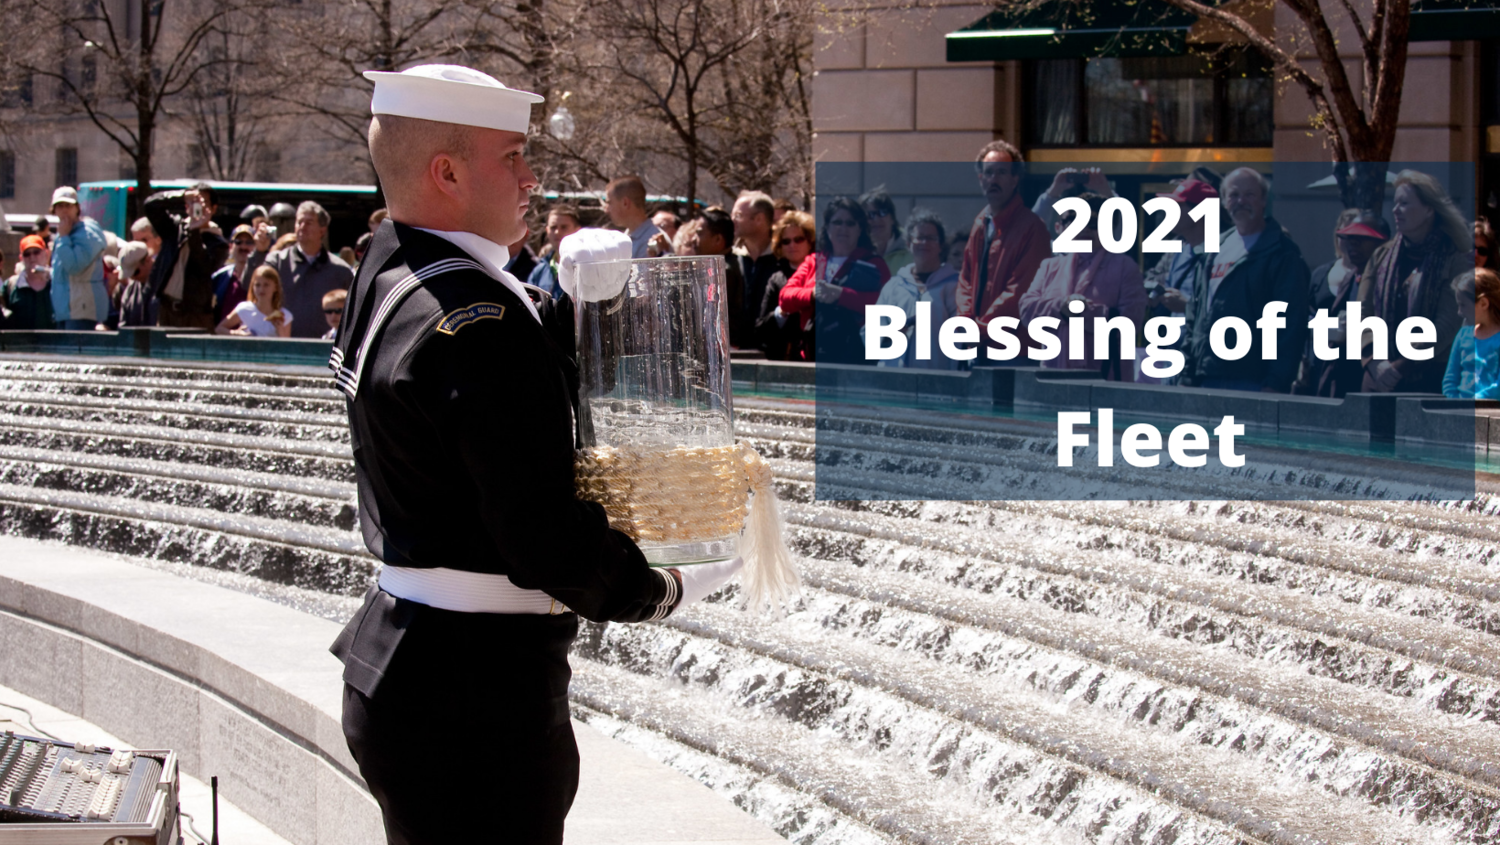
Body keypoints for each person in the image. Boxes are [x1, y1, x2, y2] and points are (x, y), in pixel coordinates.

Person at [328, 64, 738, 845]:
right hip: (474, 700)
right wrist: (659, 589)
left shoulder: (394, 266)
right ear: (445, 172)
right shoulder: (480, 323)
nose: (531, 175)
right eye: (511, 155)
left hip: (419, 662)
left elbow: (468, 383)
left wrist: (579, 308)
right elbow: (541, 531)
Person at [1183, 167, 1309, 392]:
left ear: (1263, 201)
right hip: (1206, 377)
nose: (1241, 201)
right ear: (1223, 201)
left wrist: (1276, 381)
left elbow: (1292, 324)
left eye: (1249, 194)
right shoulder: (1212, 249)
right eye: (1233, 195)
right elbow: (1194, 315)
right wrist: (1187, 373)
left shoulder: (1282, 252)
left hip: (1253, 381)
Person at [1356, 170, 1473, 393]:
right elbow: (1361, 313)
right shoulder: (1381, 256)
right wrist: (1373, 361)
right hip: (1377, 377)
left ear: (1429, 209)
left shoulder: (1454, 258)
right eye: (1395, 203)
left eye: (1404, 203)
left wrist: (1400, 366)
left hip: (1427, 377)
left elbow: (1448, 324)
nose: (1395, 210)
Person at [1019, 193, 1148, 379]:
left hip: (1106, 377)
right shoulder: (1049, 266)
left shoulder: (1125, 267)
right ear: (1060, 228)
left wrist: (1083, 312)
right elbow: (1026, 309)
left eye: (1094, 222)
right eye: (1076, 220)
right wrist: (1062, 307)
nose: (1085, 228)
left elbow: (1130, 323)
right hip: (1053, 375)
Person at [957, 140, 1052, 365]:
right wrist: (966, 322)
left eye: (1001, 172)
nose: (993, 179)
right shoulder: (981, 223)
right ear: (980, 179)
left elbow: (1022, 290)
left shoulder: (1032, 227)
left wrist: (980, 329)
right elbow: (966, 280)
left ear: (1015, 179)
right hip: (978, 345)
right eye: (988, 173)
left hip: (1015, 349)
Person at [779, 197, 891, 364]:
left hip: (858, 358)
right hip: (814, 356)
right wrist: (812, 294)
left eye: (850, 223)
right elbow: (784, 298)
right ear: (827, 228)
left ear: (860, 228)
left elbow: (888, 306)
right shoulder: (813, 261)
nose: (843, 228)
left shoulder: (874, 263)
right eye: (837, 222)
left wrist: (841, 295)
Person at [1292, 210, 1389, 397]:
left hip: (1372, 378)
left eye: (1361, 238)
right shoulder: (1349, 279)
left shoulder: (1388, 281)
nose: (1353, 244)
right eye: (1349, 237)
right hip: (1335, 374)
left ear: (1382, 243)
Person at [873, 208, 961, 369]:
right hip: (892, 380)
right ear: (908, 244)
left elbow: (961, 338)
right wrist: (888, 332)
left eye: (931, 238)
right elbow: (870, 336)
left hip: (937, 380)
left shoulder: (954, 286)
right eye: (919, 238)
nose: (924, 243)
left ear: (941, 245)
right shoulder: (894, 285)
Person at [250, 201, 354, 338]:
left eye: (309, 223)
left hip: (325, 350)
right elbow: (248, 287)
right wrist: (259, 252)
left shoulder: (341, 271)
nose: (302, 227)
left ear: (322, 230)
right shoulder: (277, 262)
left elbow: (353, 314)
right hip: (281, 346)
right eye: (299, 222)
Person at [144, 181, 230, 330]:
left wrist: (194, 231)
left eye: (203, 204)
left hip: (195, 315)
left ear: (213, 208)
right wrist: (181, 195)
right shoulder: (175, 228)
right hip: (166, 309)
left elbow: (203, 266)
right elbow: (150, 205)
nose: (198, 208)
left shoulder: (218, 242)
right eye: (193, 203)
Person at [755, 211, 815, 360]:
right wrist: (782, 312)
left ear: (810, 242)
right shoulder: (777, 278)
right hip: (786, 357)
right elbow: (760, 328)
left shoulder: (822, 270)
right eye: (786, 241)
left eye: (798, 239)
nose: (792, 245)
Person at [47, 186, 110, 331]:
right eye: (60, 206)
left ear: (77, 208)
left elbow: (75, 267)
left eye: (68, 206)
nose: (64, 210)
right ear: (54, 210)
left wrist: (63, 238)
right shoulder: (64, 233)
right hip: (65, 310)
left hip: (82, 311)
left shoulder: (88, 233)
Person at [731, 191, 781, 349]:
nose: (733, 221)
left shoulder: (783, 258)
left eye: (738, 215)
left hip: (773, 353)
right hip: (736, 353)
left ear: (759, 219)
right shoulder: (730, 259)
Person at [1443, 266, 1500, 399]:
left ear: (1484, 303)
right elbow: (1450, 380)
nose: (1459, 312)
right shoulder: (1463, 335)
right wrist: (1454, 405)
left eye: (1463, 305)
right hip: (1460, 413)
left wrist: (1474, 403)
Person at [215, 265, 292, 337]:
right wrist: (236, 333)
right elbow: (219, 329)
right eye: (258, 285)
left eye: (266, 285)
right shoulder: (244, 309)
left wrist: (280, 330)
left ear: (275, 287)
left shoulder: (284, 316)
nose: (261, 289)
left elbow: (286, 347)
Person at [1031, 166, 1113, 234]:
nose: (1082, 229)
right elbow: (1032, 230)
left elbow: (1121, 230)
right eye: (1071, 221)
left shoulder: (1109, 252)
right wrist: (1053, 191)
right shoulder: (1050, 251)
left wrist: (1105, 191)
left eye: (1091, 223)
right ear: (1058, 227)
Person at [604, 175, 667, 258]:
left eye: (609, 203)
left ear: (625, 203)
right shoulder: (629, 236)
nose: (606, 210)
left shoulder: (654, 240)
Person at [527, 206, 582, 299]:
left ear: (577, 230)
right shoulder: (539, 271)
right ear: (547, 231)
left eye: (564, 227)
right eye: (553, 227)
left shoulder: (585, 268)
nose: (557, 232)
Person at [2, 235, 55, 330]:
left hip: (57, 343)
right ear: (21, 258)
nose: (32, 257)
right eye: (27, 254)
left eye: (36, 252)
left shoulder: (58, 283)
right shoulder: (11, 286)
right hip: (20, 343)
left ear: (46, 254)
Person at [859, 187, 912, 275]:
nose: (876, 219)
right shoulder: (855, 249)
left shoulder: (911, 248)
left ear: (892, 218)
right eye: (870, 215)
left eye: (882, 212)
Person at [213, 225, 258, 324]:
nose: (243, 247)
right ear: (230, 246)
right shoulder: (220, 277)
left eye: (249, 242)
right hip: (223, 335)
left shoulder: (261, 278)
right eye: (238, 242)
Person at [115, 241, 156, 328]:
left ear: (147, 260)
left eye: (135, 272)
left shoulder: (166, 285)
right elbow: (124, 326)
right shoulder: (130, 291)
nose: (133, 278)